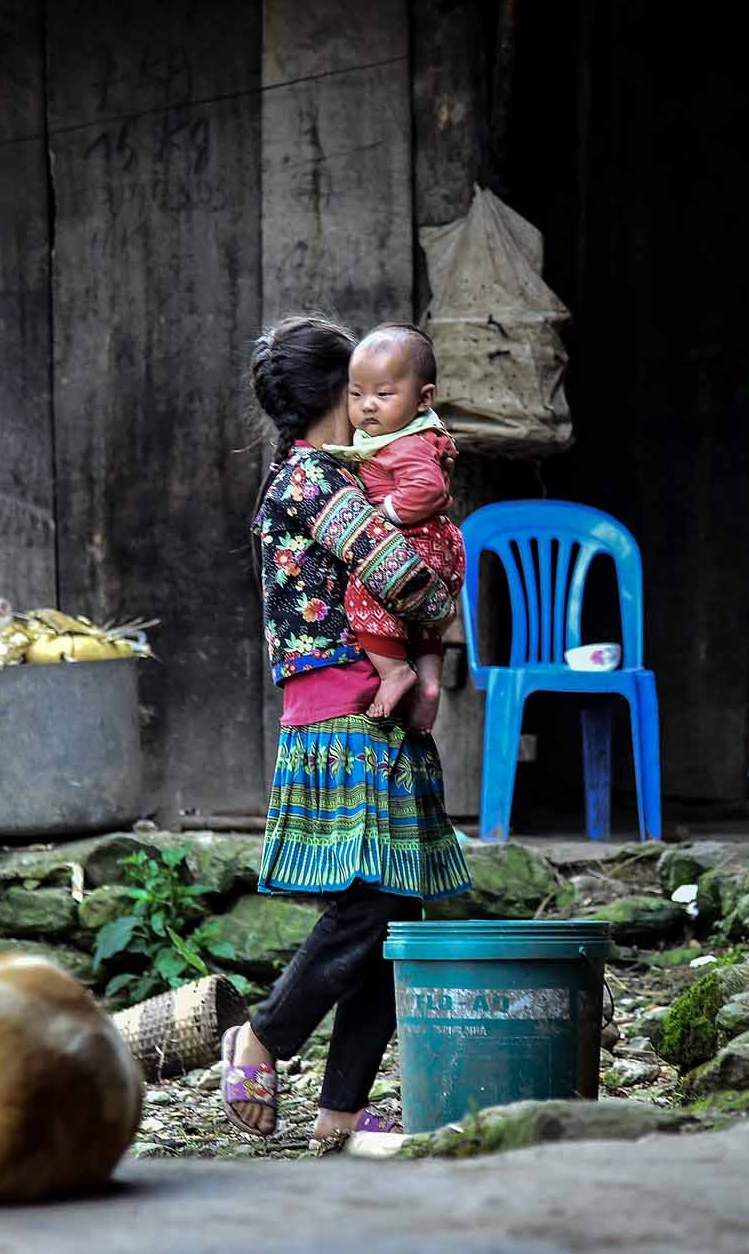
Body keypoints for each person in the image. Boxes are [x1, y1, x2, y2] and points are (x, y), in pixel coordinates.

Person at [225, 315, 474, 1145]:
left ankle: (340, 1109)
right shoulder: (317, 484)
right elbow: (412, 585)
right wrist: (443, 598)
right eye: (364, 387)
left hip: (368, 712)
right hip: (349, 715)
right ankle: (265, 1033)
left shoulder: (321, 477)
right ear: (342, 389)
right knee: (370, 901)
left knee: (392, 904)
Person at [326, 323, 465, 729]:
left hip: (416, 541)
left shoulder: (406, 443)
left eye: (383, 395)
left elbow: (430, 488)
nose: (367, 405)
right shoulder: (408, 437)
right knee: (419, 621)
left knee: (365, 588)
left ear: (424, 399)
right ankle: (430, 682)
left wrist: (383, 513)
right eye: (356, 394)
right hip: (437, 545)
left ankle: (394, 673)